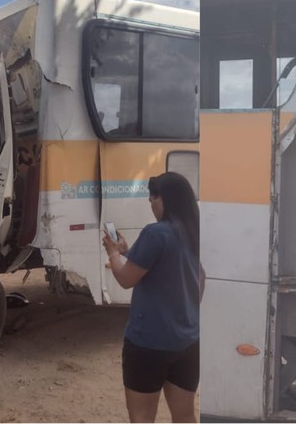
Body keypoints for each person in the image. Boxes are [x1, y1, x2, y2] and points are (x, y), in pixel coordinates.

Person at [102, 172, 203, 423]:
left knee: (142, 418)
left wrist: (113, 253)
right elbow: (200, 279)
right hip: (188, 342)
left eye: (154, 197)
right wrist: (126, 252)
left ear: (167, 200)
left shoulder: (156, 233)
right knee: (185, 415)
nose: (151, 203)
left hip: (148, 343)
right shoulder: (192, 232)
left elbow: (126, 278)